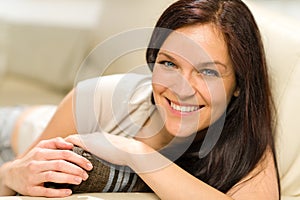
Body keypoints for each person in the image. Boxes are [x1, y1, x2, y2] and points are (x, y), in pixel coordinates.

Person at [0, 0, 280, 199]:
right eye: (169, 64)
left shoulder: (246, 137)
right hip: (12, 133)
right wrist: (9, 174)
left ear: (239, 85)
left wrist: (137, 154)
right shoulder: (97, 98)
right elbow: (15, 179)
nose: (182, 89)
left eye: (207, 71)